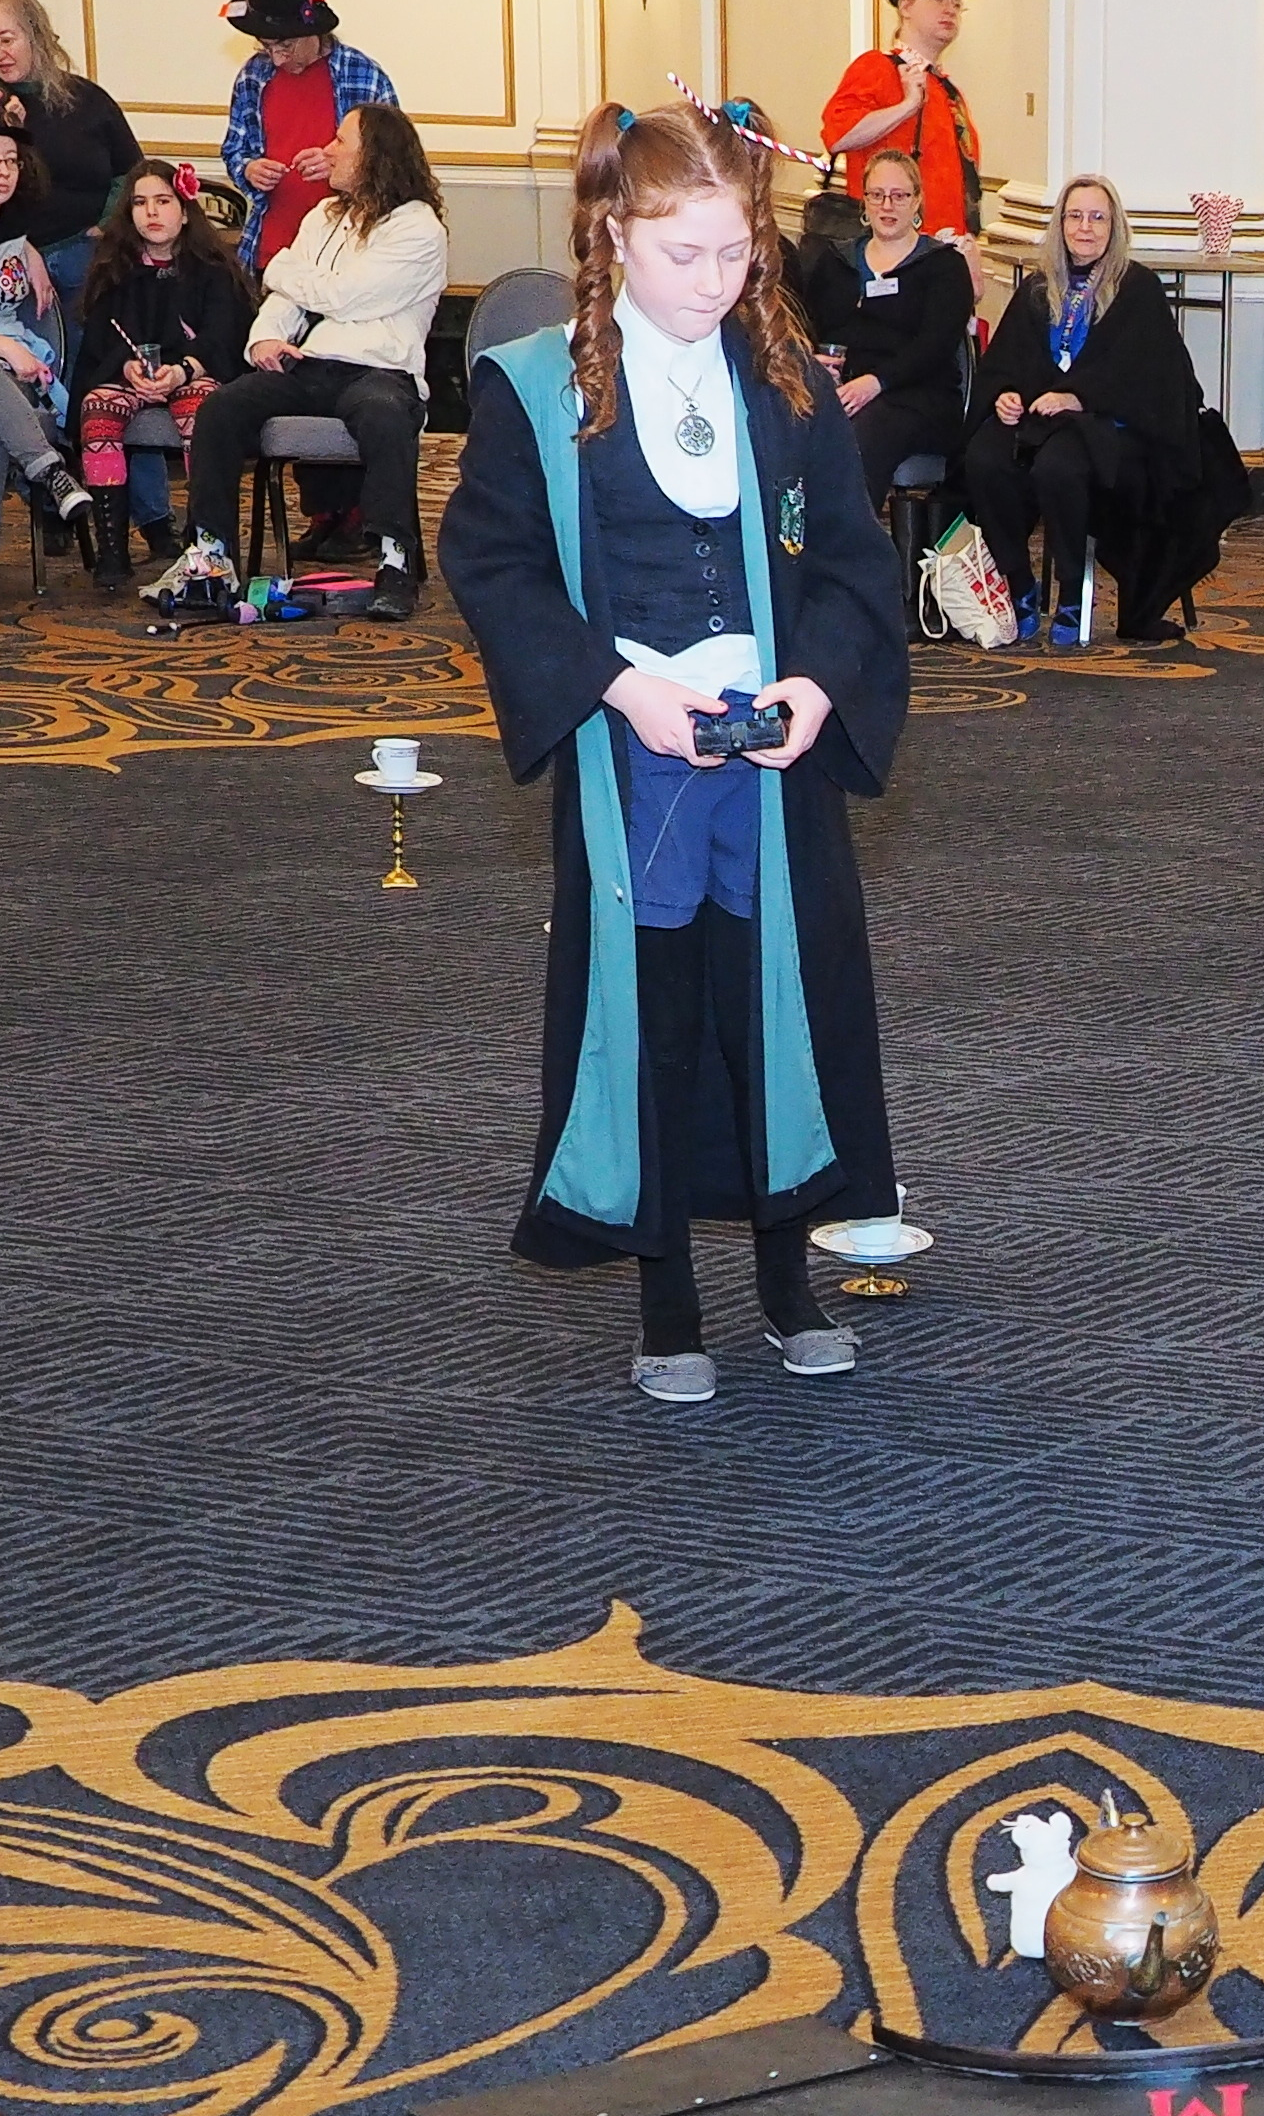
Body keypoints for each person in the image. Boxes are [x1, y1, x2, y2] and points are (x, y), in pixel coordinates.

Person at [439, 95, 909, 1407]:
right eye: (683, 253)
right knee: (656, 1017)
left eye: (736, 252)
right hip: (633, 751)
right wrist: (617, 686)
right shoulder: (537, 389)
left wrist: (817, 685)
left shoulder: (786, 380)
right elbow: (495, 565)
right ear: (613, 237)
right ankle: (667, 1302)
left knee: (771, 1011)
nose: (715, 281)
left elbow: (852, 564)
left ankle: (786, 1281)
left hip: (769, 758)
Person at [183, 102, 445, 622]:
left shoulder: (419, 228)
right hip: (312, 362)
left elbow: (348, 296)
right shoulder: (322, 217)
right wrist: (264, 339)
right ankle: (211, 559)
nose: (328, 150)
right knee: (221, 408)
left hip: (381, 370)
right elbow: (288, 301)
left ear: (375, 156)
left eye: (341, 142)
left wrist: (280, 266)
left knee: (386, 416)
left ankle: (394, 561)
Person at [961, 174, 1204, 645]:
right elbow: (1009, 361)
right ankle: (1019, 584)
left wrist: (1079, 397)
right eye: (1075, 216)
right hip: (1038, 419)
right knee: (984, 458)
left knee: (1059, 466)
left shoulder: (1137, 288)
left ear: (1115, 226)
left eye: (1097, 218)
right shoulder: (1037, 287)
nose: (1085, 228)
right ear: (1060, 224)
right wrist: (1006, 393)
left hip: (1108, 425)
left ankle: (1072, 593)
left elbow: (1148, 375)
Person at [220, 0, 397, 560]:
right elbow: (234, 149)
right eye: (266, 46)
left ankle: (356, 517)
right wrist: (249, 169)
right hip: (275, 246)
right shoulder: (253, 76)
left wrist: (338, 166)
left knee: (346, 382)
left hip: (346, 253)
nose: (275, 57)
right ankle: (322, 514)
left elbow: (390, 158)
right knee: (293, 383)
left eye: (284, 45)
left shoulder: (362, 74)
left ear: (314, 33)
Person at [71, 159, 253, 591]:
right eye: (140, 203)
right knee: (97, 407)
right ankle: (112, 549)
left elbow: (222, 336)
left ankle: (206, 541)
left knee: (204, 411)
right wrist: (127, 366)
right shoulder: (114, 269)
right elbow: (102, 337)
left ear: (185, 211)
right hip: (130, 374)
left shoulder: (213, 269)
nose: (151, 212)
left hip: (193, 371)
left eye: (163, 201)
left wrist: (183, 369)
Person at [790, 148, 973, 510]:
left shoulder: (943, 266)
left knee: (861, 434)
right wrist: (815, 361)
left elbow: (935, 346)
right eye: (877, 195)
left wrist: (876, 382)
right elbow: (804, 325)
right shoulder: (835, 261)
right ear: (864, 201)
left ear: (917, 200)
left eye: (899, 196)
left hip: (918, 396)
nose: (887, 206)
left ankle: (853, 540)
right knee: (784, 420)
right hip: (841, 389)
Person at [0, 0, 136, 378]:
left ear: (36, 35)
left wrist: (107, 223)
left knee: (90, 358)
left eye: (6, 40)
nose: (0, 54)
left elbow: (129, 172)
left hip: (84, 251)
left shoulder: (88, 99)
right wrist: (23, 246)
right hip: (12, 260)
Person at [823, 0, 982, 245]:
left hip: (946, 247)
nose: (950, 9)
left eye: (957, 4)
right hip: (891, 247)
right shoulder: (876, 67)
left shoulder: (947, 89)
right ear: (906, 6)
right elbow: (838, 137)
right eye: (940, 0)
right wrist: (907, 106)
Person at [0, 124, 88, 524]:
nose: (5, 172)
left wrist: (29, 252)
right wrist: (6, 347)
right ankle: (51, 471)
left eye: (11, 161)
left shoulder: (14, 222)